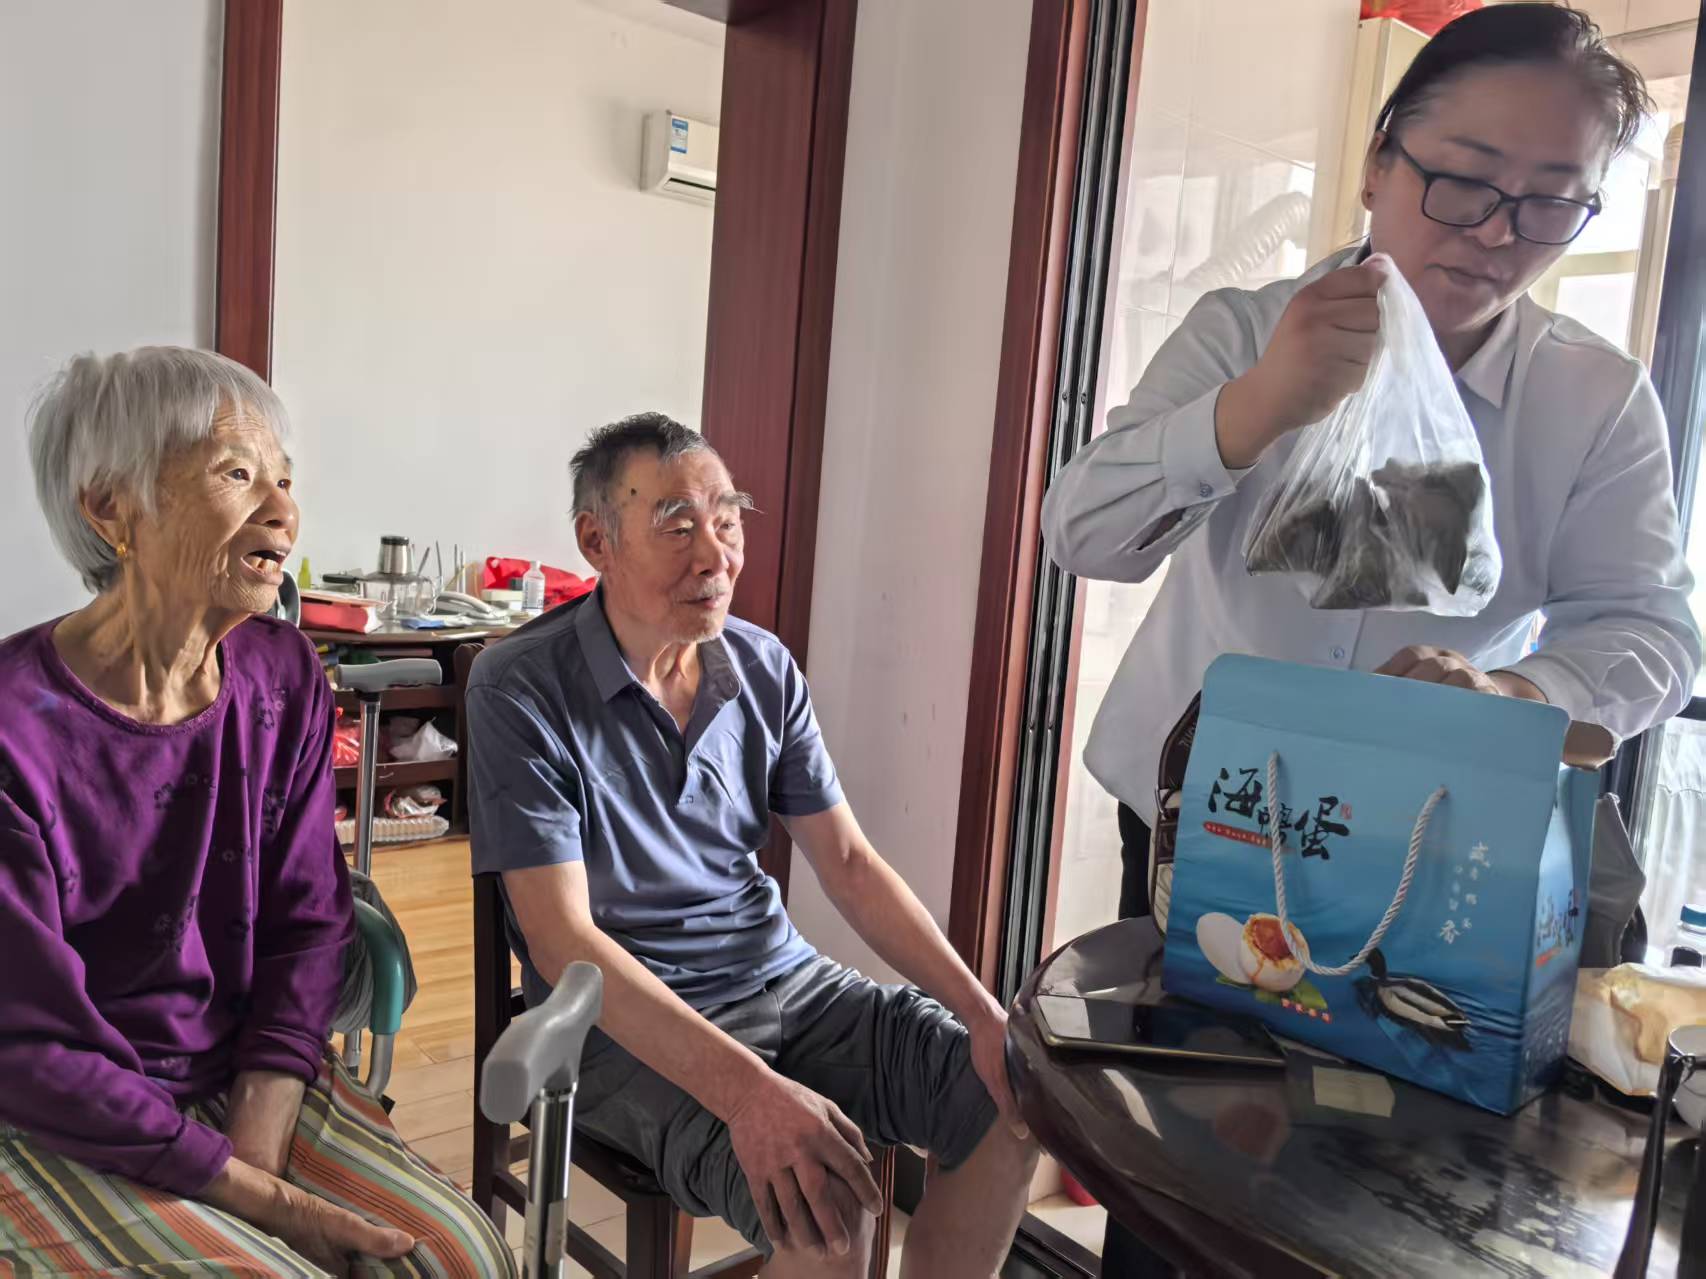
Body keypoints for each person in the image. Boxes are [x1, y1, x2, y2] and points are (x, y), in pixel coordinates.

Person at [1044, 8, 1701, 1271]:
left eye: (1549, 202)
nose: (1496, 234)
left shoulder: (1590, 397)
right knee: (1179, 1158)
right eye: (1461, 180)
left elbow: (1651, 630)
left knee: (1374, 1173)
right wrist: (1251, 409)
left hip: (1420, 846)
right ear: (1375, 163)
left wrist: (1509, 689)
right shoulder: (1242, 330)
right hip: (1201, 820)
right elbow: (1083, 535)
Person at [465, 413, 1039, 1279]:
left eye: (727, 521)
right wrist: (749, 1094)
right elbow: (562, 940)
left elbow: (849, 863)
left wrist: (981, 1012)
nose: (716, 556)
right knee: (824, 1206)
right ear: (596, 541)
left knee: (1007, 1099)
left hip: (786, 982)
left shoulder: (762, 667)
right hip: (619, 1025)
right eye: (677, 526)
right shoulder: (521, 685)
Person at [0, 347, 512, 1278]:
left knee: (461, 1257)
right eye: (239, 474)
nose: (284, 510)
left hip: (237, 1072)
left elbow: (307, 925)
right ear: (110, 507)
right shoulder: (14, 728)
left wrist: (256, 1151)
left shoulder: (283, 674)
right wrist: (259, 1203)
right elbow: (30, 1049)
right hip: (54, 1115)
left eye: (286, 478)